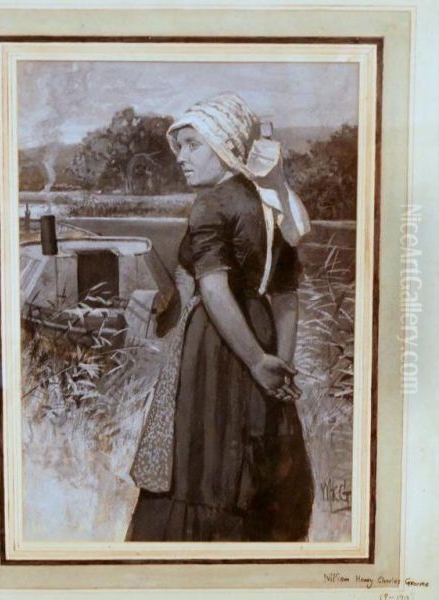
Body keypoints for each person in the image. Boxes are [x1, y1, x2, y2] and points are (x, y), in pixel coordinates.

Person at [128, 93, 314, 542]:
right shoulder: (273, 204)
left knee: (205, 461)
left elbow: (213, 289)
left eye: (193, 145)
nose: (182, 158)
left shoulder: (212, 203)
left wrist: (254, 363)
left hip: (217, 344)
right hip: (263, 334)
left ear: (225, 146)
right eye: (179, 148)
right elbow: (286, 297)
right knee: (256, 459)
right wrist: (277, 365)